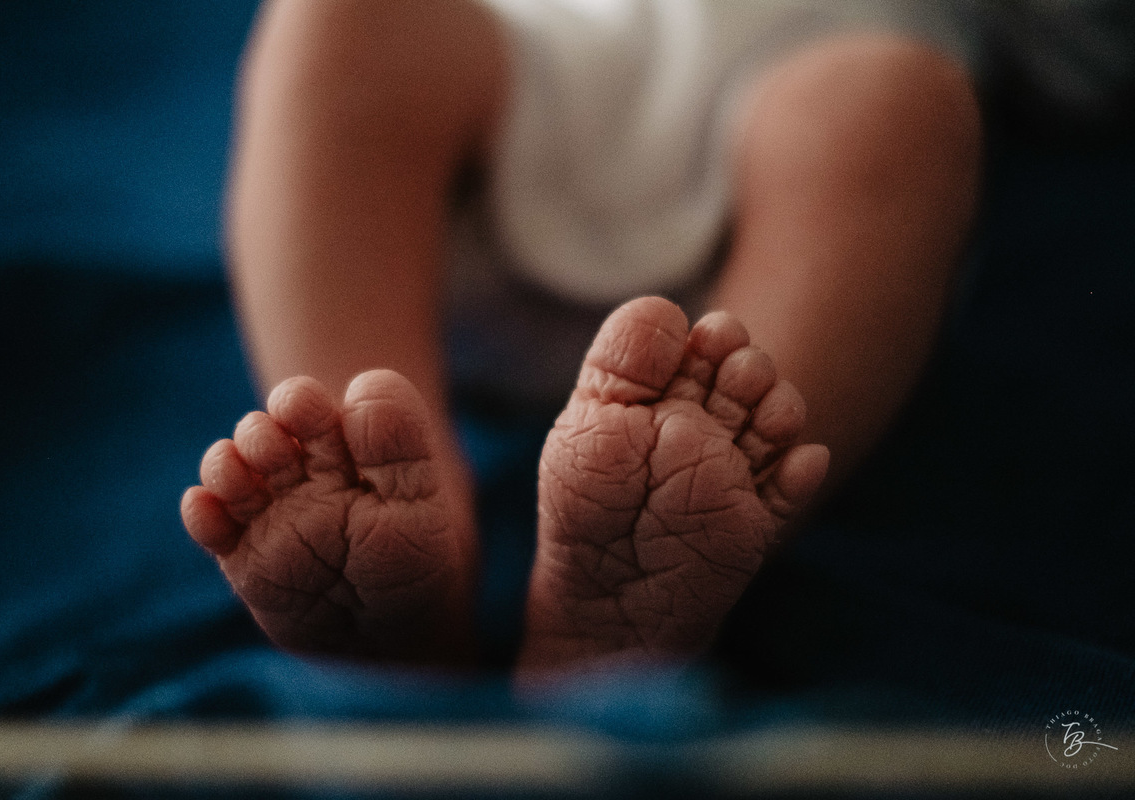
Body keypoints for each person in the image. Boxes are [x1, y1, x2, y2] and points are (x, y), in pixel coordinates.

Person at [179, 0, 981, 678]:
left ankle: (637, 602)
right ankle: (391, 518)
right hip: (509, 102)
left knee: (894, 104)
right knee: (342, 21)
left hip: (781, 192)